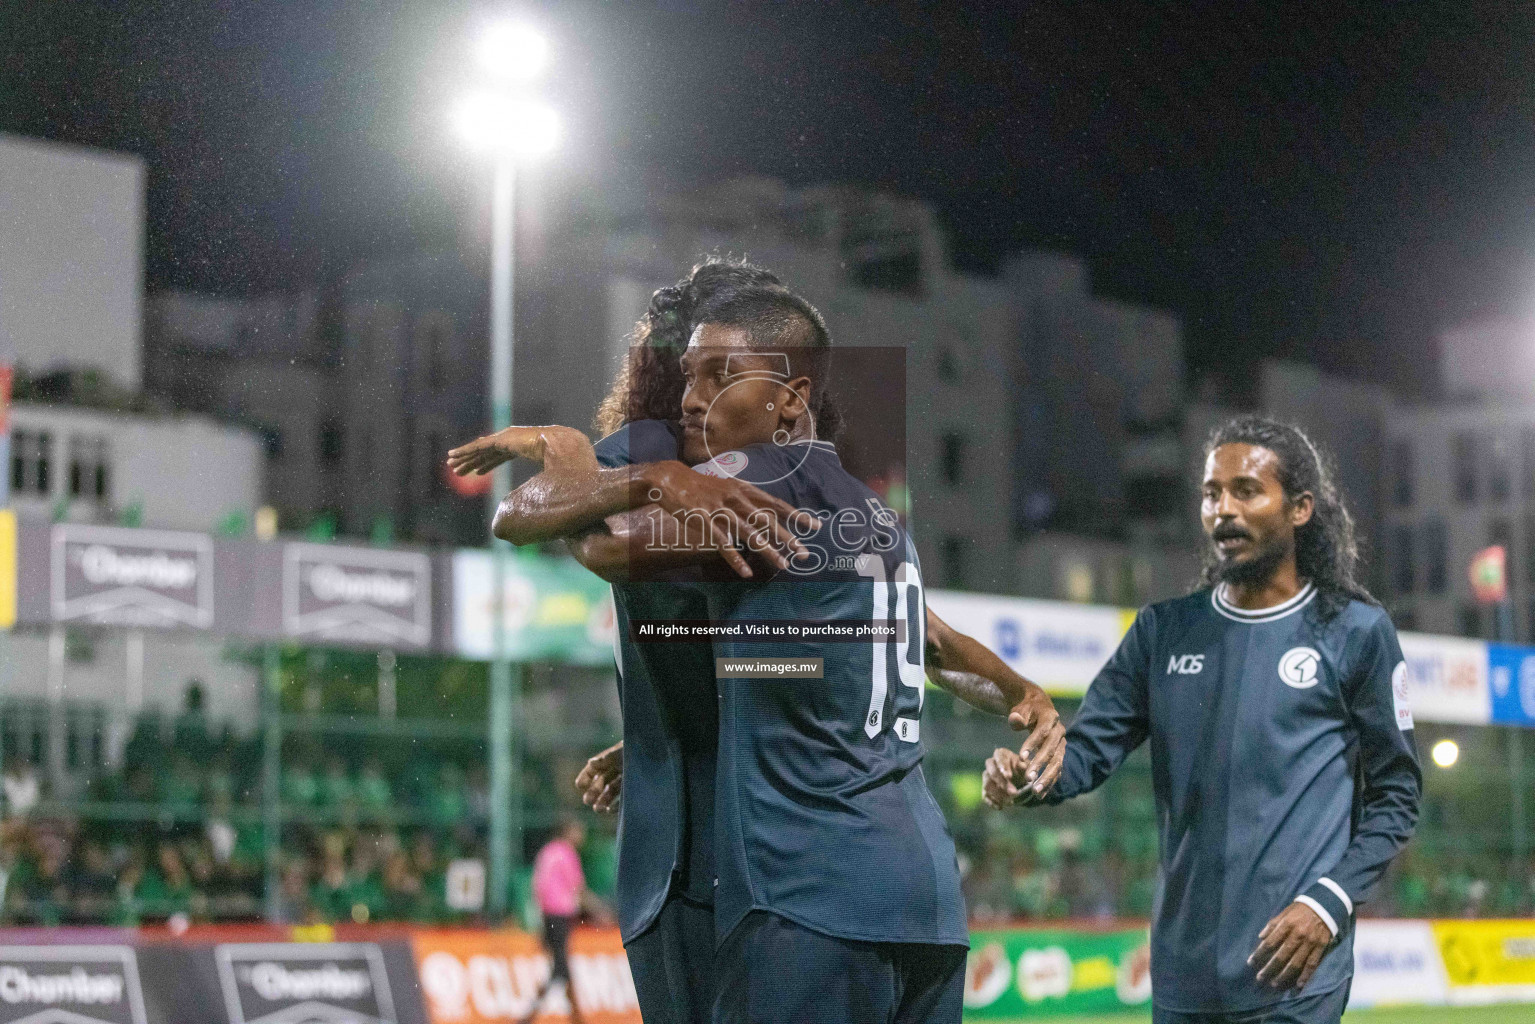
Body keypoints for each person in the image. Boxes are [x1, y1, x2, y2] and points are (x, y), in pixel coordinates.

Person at [450, 270, 1064, 1024]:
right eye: (688, 376)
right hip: (925, 901)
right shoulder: (873, 514)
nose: (689, 399)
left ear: (789, 398)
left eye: (718, 375)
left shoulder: (747, 481)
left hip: (804, 898)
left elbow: (576, 537)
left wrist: (590, 454)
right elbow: (923, 643)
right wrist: (1026, 696)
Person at [986, 416, 1421, 1024]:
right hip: (1184, 971)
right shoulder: (1163, 631)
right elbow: (1084, 754)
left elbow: (1397, 795)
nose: (1223, 509)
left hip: (1295, 970)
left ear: (1300, 509)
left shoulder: (1355, 632)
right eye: (1212, 493)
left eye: (1246, 490)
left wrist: (1330, 904)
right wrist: (1028, 776)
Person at [524, 818, 606, 1024]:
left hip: (547, 917)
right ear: (568, 831)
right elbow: (578, 889)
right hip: (560, 916)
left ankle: (575, 1019)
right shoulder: (567, 853)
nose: (581, 835)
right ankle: (528, 1017)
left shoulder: (547, 852)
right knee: (560, 969)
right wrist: (600, 911)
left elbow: (537, 887)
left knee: (561, 968)